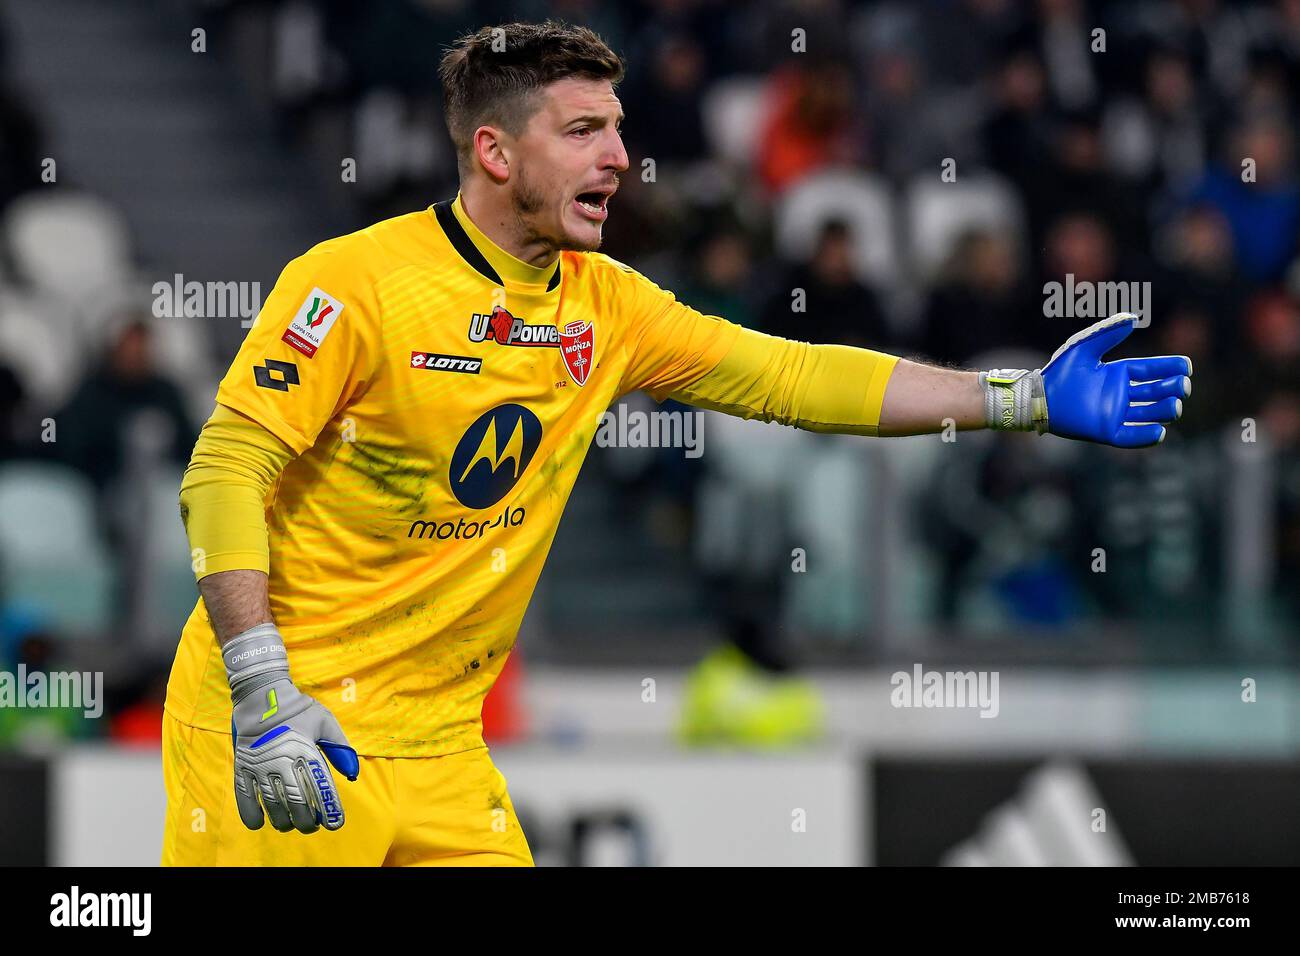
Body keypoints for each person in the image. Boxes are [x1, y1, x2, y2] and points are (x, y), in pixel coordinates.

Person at [161, 20, 1192, 867]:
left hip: (437, 743)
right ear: (494, 152)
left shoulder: (608, 305)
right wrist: (260, 687)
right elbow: (223, 469)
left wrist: (1019, 399)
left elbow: (793, 375)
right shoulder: (355, 283)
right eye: (582, 131)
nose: (618, 155)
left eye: (617, 128)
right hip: (285, 726)